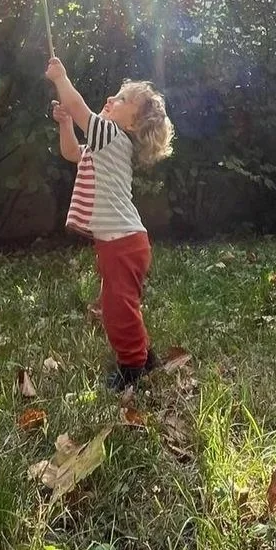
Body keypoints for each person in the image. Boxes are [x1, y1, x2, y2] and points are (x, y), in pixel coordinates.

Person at [46, 55, 174, 390]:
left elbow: (78, 106)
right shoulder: (104, 143)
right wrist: (63, 125)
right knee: (118, 304)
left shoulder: (112, 136)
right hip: (119, 242)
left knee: (117, 309)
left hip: (122, 242)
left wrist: (61, 77)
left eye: (119, 100)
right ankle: (145, 356)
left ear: (130, 125)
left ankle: (132, 367)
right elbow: (72, 153)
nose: (109, 100)